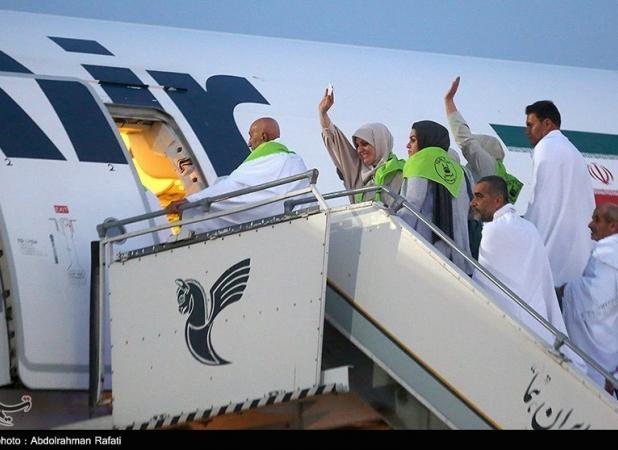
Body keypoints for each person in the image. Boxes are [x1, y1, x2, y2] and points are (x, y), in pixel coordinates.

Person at [471, 176, 585, 370]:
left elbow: (484, 284)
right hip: (538, 323)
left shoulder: (495, 230)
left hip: (513, 332)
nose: (473, 202)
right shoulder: (527, 226)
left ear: (497, 200)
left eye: (479, 196)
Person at [171, 117, 308, 233]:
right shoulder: (296, 160)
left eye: (251, 136)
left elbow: (233, 186)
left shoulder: (264, 159)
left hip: (273, 223)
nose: (249, 143)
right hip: (301, 224)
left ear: (264, 137)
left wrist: (191, 201)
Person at [524, 100, 595, 287]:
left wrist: (525, 235)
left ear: (547, 123)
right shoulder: (573, 151)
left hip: (552, 257)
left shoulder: (545, 147)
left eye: (530, 125)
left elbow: (541, 203)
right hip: (579, 257)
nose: (527, 131)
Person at [399, 120, 472, 274]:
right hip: (460, 258)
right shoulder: (461, 171)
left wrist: (391, 223)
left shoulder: (418, 161)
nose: (407, 145)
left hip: (425, 254)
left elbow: (412, 206)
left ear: (426, 140)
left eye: (413, 140)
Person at [560, 203, 618, 390]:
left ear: (613, 226)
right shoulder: (604, 255)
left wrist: (566, 290)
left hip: (607, 369)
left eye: (597, 220)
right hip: (591, 361)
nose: (590, 224)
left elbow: (596, 298)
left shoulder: (611, 259)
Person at [319, 87, 404, 206]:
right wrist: (322, 113)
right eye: (357, 145)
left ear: (380, 142)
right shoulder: (356, 170)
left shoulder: (401, 171)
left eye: (365, 144)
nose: (359, 150)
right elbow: (335, 141)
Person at [444, 76, 523, 204]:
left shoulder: (488, 166)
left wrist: (449, 102)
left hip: (469, 213)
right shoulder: (495, 173)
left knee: (450, 156)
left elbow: (466, 141)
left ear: (485, 151)